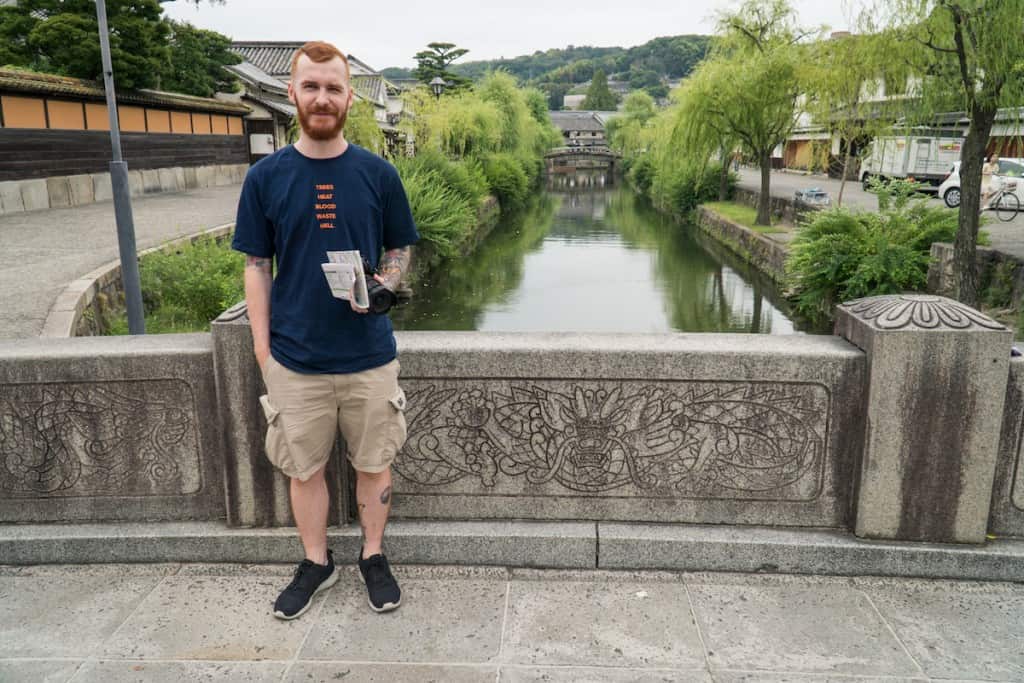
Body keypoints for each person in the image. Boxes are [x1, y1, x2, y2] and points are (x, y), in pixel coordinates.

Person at [232, 40, 419, 619]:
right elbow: (257, 268)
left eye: (333, 88)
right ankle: (316, 562)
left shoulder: (378, 173)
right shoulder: (265, 177)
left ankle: (372, 554)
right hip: (295, 357)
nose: (321, 97)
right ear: (291, 94)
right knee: (303, 467)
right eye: (310, 86)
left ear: (348, 99)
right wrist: (263, 349)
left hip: (368, 355)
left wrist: (386, 284)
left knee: (374, 462)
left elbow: (399, 247)